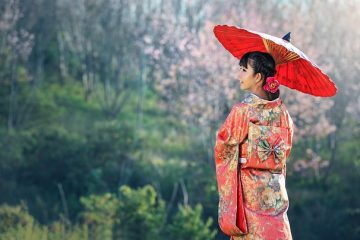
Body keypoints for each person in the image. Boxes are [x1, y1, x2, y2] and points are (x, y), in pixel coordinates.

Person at [214, 51, 295, 240]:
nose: (239, 75)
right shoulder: (283, 114)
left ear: (258, 77)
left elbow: (223, 148)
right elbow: (285, 152)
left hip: (250, 194)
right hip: (274, 192)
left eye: (243, 70)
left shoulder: (242, 112)